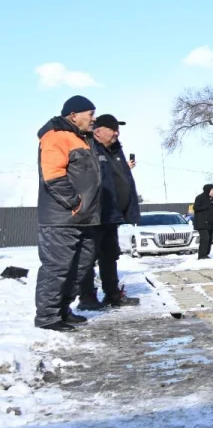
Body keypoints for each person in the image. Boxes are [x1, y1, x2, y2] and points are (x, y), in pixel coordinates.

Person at [34, 95, 103, 332]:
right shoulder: (55, 136)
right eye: (90, 115)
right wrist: (76, 203)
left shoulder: (81, 139)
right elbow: (53, 176)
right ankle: (47, 316)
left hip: (83, 219)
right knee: (57, 268)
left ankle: (63, 309)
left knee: (80, 267)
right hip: (61, 219)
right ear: (73, 115)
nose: (94, 119)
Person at [78, 114, 140, 310]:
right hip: (95, 215)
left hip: (112, 215)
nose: (117, 132)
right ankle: (87, 297)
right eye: (112, 128)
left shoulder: (116, 151)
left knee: (110, 254)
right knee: (88, 257)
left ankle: (112, 294)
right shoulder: (89, 148)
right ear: (98, 131)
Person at [193, 184, 213, 260]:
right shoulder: (200, 197)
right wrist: (208, 204)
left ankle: (206, 254)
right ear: (208, 190)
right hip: (201, 222)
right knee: (205, 238)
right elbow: (196, 208)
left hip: (210, 222)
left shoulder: (212, 199)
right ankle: (201, 255)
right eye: (212, 190)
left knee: (210, 238)